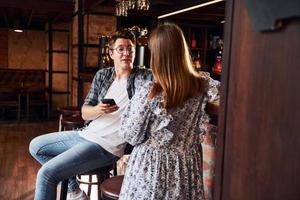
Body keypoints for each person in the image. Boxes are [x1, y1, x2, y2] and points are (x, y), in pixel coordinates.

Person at [29, 29, 152, 200]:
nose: (126, 53)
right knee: (36, 146)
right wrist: (99, 109)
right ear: (111, 53)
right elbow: (85, 113)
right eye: (121, 49)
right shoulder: (103, 75)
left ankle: (74, 192)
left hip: (107, 146)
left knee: (46, 174)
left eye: (130, 49)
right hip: (86, 134)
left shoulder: (144, 77)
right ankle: (75, 192)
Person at [118, 23, 220, 200]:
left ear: (156, 56)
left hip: (151, 168)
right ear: (182, 51)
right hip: (187, 168)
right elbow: (228, 98)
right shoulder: (202, 83)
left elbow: (131, 135)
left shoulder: (149, 92)